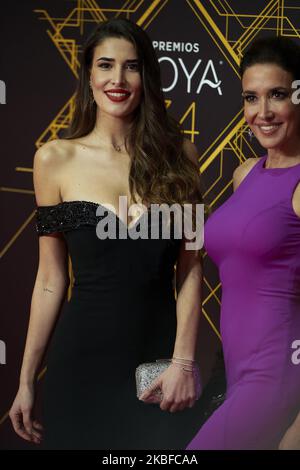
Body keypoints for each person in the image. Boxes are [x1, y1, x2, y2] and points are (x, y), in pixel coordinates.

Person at [8, 18, 207, 450]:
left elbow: (191, 267)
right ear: (89, 75)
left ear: (146, 76)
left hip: (159, 367)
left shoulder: (181, 157)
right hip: (80, 365)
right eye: (106, 65)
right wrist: (26, 381)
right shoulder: (54, 160)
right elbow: (49, 280)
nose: (117, 80)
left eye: (131, 67)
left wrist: (184, 361)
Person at [186, 36, 300, 450]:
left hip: (277, 376)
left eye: (278, 95)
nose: (263, 113)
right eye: (251, 98)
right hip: (233, 372)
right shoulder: (245, 174)